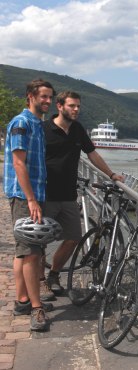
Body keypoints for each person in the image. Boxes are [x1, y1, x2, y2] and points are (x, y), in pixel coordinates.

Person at [42, 91, 125, 294]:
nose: (76, 109)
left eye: (78, 106)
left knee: (73, 238)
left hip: (69, 195)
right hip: (45, 195)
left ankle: (53, 275)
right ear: (60, 106)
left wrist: (111, 174)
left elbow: (92, 154)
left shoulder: (77, 129)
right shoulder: (44, 129)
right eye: (72, 106)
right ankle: (38, 283)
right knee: (39, 242)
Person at [4, 79, 55, 331]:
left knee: (24, 250)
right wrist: (32, 199)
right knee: (32, 252)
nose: (47, 101)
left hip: (35, 194)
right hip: (25, 197)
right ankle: (36, 309)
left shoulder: (38, 124)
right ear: (30, 96)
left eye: (50, 97)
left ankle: (22, 300)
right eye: (43, 96)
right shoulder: (21, 123)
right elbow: (18, 163)